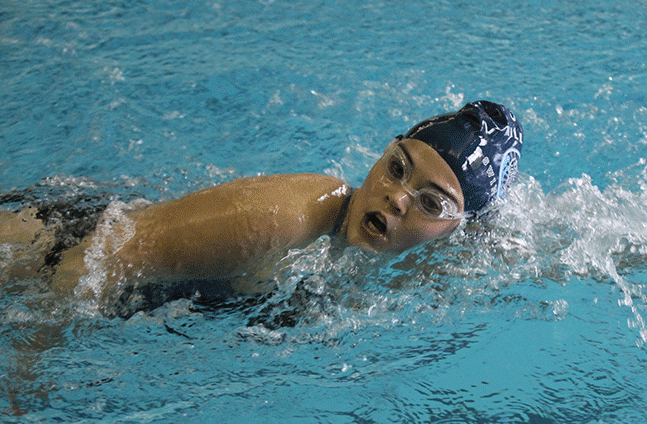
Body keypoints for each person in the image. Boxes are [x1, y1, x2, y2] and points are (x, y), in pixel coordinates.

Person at [0, 100, 524, 307]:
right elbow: (94, 261)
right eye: (397, 167)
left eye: (431, 203)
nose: (397, 197)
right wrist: (29, 378)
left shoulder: (438, 258)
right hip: (39, 251)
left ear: (460, 229)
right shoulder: (282, 218)